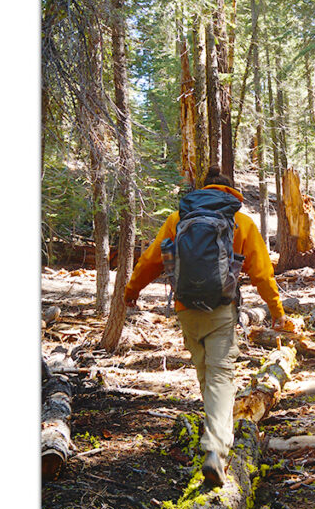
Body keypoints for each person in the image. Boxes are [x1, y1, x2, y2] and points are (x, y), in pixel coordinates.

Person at [124, 165, 295, 487]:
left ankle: (214, 430)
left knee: (206, 371)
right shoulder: (240, 221)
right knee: (220, 374)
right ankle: (216, 448)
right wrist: (277, 311)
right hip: (222, 307)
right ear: (230, 192)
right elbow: (261, 273)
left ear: (203, 190)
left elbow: (150, 260)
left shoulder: (179, 219)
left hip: (186, 306)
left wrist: (131, 291)